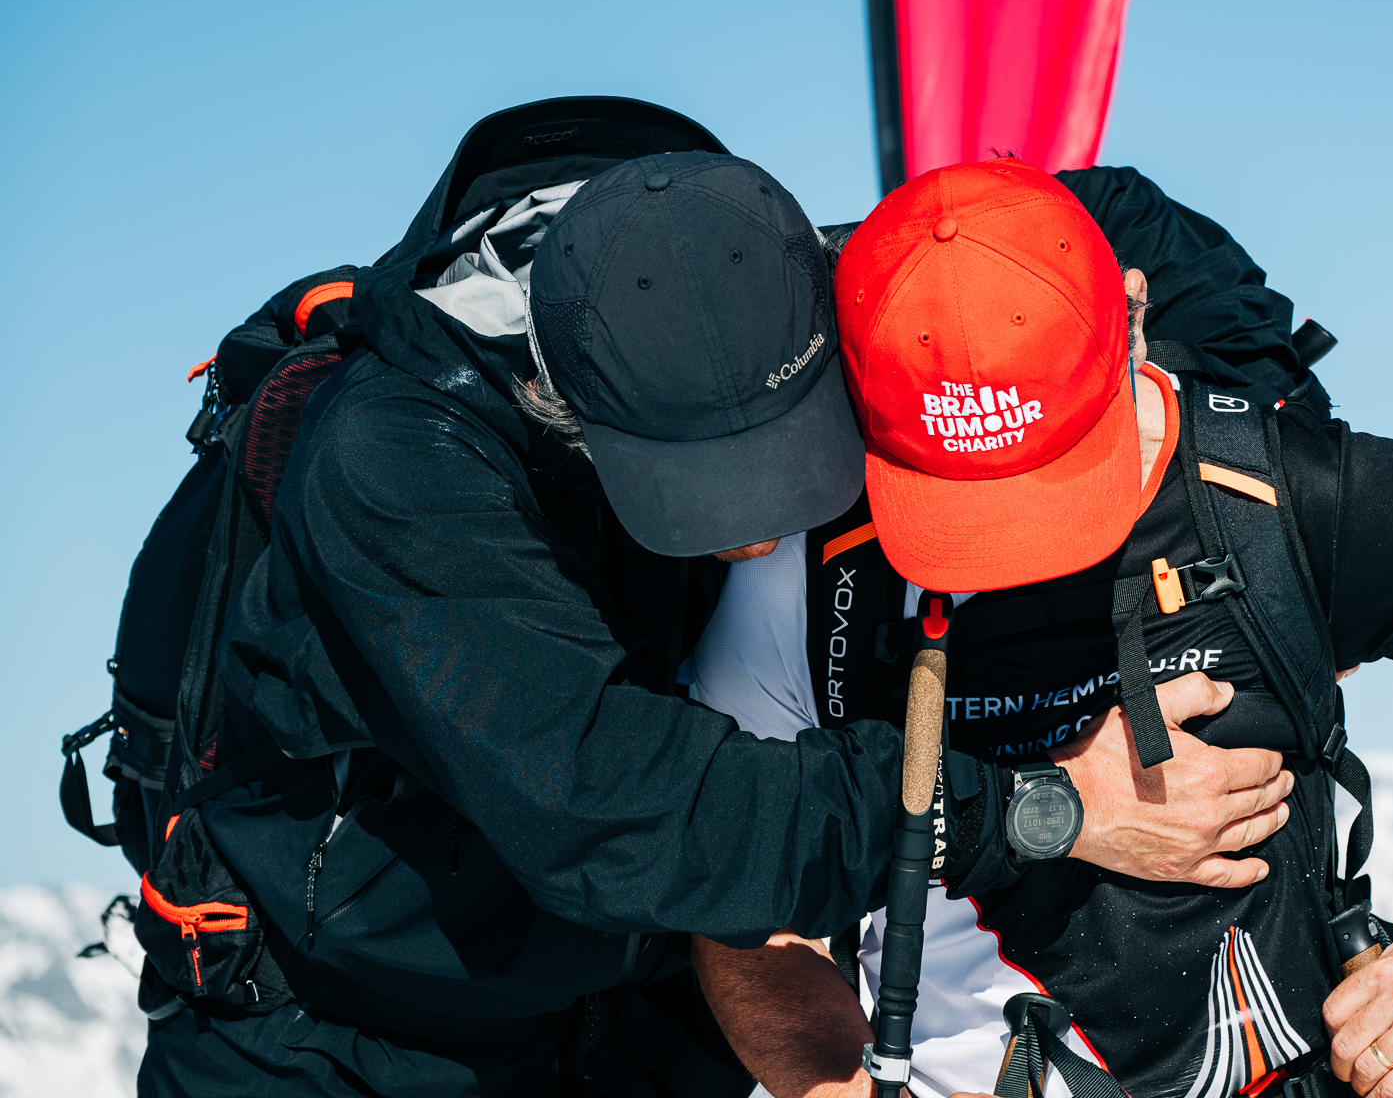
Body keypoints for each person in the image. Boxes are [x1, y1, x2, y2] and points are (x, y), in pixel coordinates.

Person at [149, 99, 1299, 1098]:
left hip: (651, 1026)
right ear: (564, 401)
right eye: (692, 493)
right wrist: (1042, 805)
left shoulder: (753, 281)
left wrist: (1244, 469)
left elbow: (1118, 226)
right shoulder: (401, 466)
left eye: (792, 456)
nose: (756, 526)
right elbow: (626, 810)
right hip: (344, 1035)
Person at [693, 160, 1393, 1098]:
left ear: (1132, 320)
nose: (1015, 552)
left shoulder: (1306, 496)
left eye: (1056, 478)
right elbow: (740, 892)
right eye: (962, 503)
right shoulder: (810, 572)